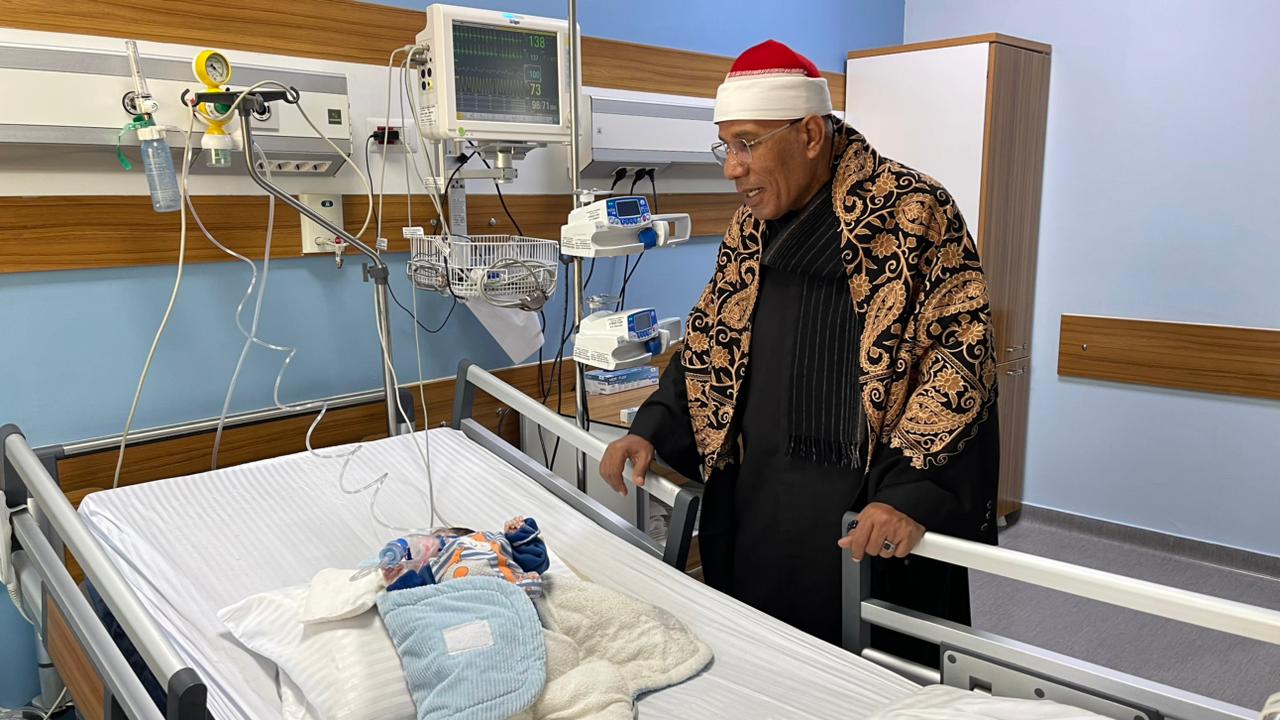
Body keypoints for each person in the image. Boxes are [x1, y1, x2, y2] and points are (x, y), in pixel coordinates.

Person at [600, 39, 1001, 667]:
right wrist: (652, 426)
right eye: (725, 146)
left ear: (810, 134)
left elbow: (961, 360)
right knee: (760, 661)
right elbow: (711, 338)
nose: (732, 169)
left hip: (867, 507)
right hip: (759, 496)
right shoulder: (750, 226)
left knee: (870, 677)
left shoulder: (915, 213)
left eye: (747, 144)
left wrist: (911, 494)